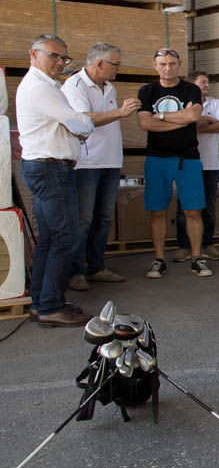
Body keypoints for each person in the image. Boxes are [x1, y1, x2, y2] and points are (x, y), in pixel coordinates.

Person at [17, 35, 137, 326]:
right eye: (54, 56)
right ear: (34, 54)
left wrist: (78, 124)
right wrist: (81, 124)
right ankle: (51, 306)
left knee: (50, 238)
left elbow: (76, 123)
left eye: (64, 57)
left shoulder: (46, 86)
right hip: (51, 169)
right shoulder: (41, 88)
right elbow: (79, 122)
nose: (60, 62)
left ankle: (42, 302)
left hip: (49, 167)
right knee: (65, 237)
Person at [62, 42, 133, 292]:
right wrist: (120, 113)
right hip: (86, 162)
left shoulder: (109, 87)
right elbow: (83, 119)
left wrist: (118, 113)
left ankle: (96, 267)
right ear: (100, 63)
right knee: (83, 219)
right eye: (115, 64)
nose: (118, 69)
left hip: (110, 160)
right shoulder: (75, 85)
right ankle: (75, 271)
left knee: (103, 218)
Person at [136, 48, 211, 280]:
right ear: (155, 66)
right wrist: (180, 119)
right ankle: (159, 260)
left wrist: (159, 116)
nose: (167, 68)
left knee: (193, 210)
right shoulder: (147, 91)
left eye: (172, 63)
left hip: (188, 158)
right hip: (157, 158)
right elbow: (144, 123)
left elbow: (193, 116)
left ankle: (197, 257)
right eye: (162, 64)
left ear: (179, 65)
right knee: (157, 211)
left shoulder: (191, 89)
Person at [176, 72, 219, 262]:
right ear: (192, 85)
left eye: (207, 82)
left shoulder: (215, 103)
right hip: (186, 163)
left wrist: (201, 125)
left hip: (210, 164)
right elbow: (182, 127)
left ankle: (208, 244)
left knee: (209, 207)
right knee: (184, 207)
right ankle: (184, 246)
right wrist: (211, 120)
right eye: (203, 82)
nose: (207, 85)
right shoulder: (183, 103)